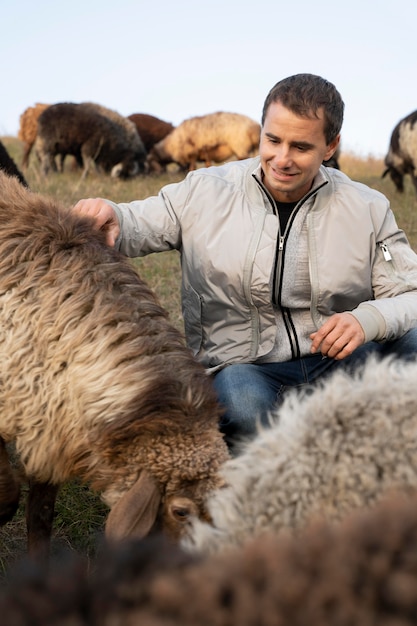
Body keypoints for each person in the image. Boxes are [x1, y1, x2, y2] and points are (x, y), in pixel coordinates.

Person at [72, 73, 417, 451]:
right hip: (245, 369)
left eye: (301, 147)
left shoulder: (367, 206)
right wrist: (113, 217)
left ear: (330, 146)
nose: (281, 159)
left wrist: (365, 319)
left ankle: (357, 437)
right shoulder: (205, 190)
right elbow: (139, 222)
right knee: (245, 406)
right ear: (261, 131)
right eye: (273, 140)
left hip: (340, 360)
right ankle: (320, 446)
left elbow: (410, 294)